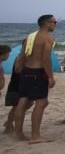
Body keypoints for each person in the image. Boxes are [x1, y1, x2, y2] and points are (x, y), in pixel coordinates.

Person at [11, 14, 58, 143]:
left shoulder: (30, 36)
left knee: (22, 101)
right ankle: (35, 136)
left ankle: (18, 134)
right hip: (37, 73)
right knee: (41, 102)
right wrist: (50, 77)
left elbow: (22, 54)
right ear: (47, 23)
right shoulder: (47, 38)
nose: (55, 24)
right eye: (54, 22)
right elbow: (45, 59)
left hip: (26, 71)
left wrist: (19, 66)